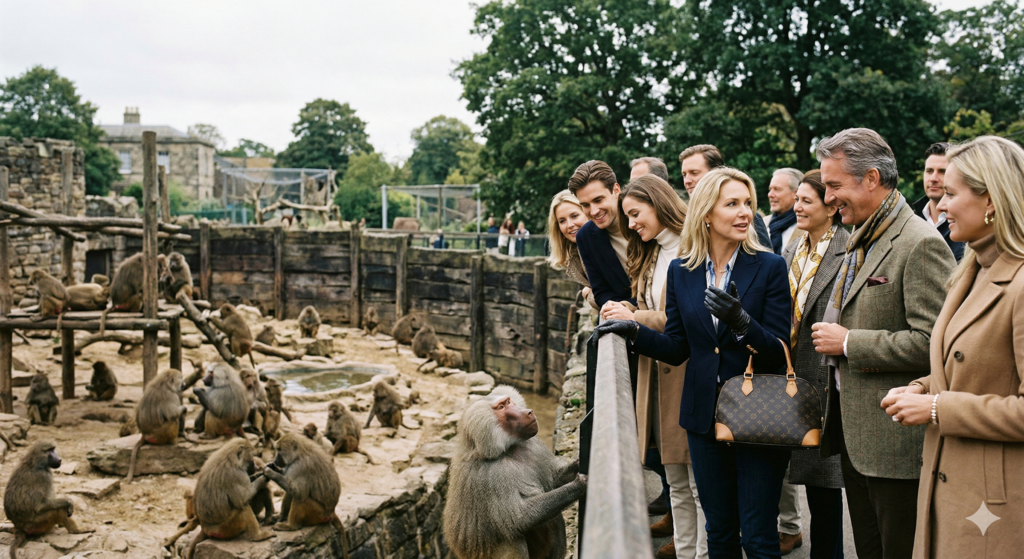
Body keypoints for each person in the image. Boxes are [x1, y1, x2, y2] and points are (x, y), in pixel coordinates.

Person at [596, 167, 793, 559]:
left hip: (757, 416)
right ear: (706, 213)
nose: (744, 212)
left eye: (747, 203)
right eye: (732, 204)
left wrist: (742, 323)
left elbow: (777, 350)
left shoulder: (769, 266)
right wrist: (633, 330)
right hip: (703, 417)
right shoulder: (682, 271)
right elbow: (677, 348)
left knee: (757, 536)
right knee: (719, 532)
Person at [811, 128, 955, 559]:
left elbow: (933, 344)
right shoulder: (863, 234)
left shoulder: (919, 242)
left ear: (871, 178)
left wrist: (850, 342)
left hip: (895, 448)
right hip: (858, 440)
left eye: (834, 185)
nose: (828, 197)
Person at [880, 136, 1024, 558]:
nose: (940, 206)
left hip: (994, 508)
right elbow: (975, 368)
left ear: (991, 201)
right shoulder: (971, 270)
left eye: (951, 194)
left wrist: (938, 408)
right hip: (949, 489)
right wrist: (923, 387)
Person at [601, 175, 707, 559]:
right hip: (656, 376)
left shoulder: (693, 248)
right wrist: (628, 308)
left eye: (635, 214)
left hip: (686, 374)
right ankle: (686, 548)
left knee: (697, 481)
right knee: (675, 476)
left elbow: (688, 320)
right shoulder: (652, 252)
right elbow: (651, 306)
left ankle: (702, 552)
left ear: (658, 203)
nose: (631, 225)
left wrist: (636, 319)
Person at [781, 170, 848, 559]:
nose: (797, 207)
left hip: (825, 377)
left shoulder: (847, 248)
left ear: (831, 207)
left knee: (825, 485)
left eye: (806, 201)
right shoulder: (792, 248)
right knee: (801, 477)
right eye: (797, 200)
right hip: (791, 375)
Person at [678, 144, 772, 248]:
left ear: (715, 173)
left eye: (694, 173)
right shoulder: (683, 219)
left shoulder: (749, 220)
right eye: (684, 175)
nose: (687, 181)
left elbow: (766, 256)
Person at [570, 160, 635, 308]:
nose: (593, 211)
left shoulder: (643, 216)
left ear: (616, 190)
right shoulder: (585, 237)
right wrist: (624, 308)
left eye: (598, 200)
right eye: (585, 205)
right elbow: (601, 291)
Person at [912, 143, 965, 262]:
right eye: (929, 171)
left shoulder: (966, 227)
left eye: (942, 171)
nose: (933, 178)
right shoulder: (909, 222)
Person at [547, 190, 591, 289]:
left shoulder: (606, 243)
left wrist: (589, 293)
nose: (570, 225)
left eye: (574, 216)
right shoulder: (574, 255)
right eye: (562, 221)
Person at [766, 168, 802, 255]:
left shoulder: (808, 228)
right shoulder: (762, 224)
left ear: (796, 193)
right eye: (770, 189)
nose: (770, 194)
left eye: (777, 189)